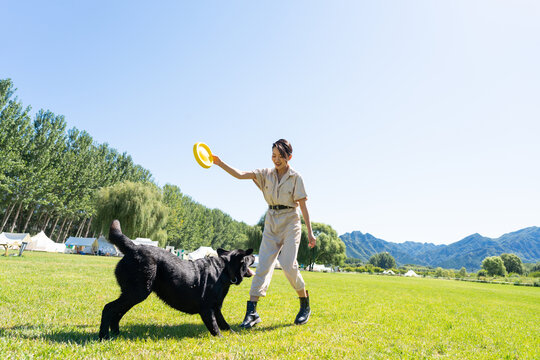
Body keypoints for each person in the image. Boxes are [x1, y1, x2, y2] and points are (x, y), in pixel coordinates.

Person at [212, 139, 316, 328]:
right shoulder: (265, 174)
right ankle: (252, 312)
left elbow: (303, 206)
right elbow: (240, 174)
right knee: (263, 266)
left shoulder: (296, 177)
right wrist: (220, 163)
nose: (276, 159)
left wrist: (310, 233)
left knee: (287, 264)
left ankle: (304, 303)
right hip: (271, 221)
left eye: (280, 156)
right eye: (273, 155)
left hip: (291, 221)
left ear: (289, 157)